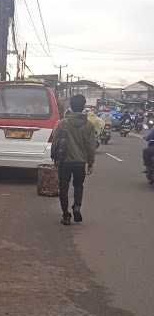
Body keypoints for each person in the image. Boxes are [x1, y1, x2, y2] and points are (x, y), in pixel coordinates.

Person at [51, 94, 96, 225]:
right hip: (80, 162)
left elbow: (55, 141)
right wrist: (91, 163)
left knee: (63, 188)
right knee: (78, 186)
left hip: (64, 162)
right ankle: (77, 206)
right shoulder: (89, 126)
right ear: (83, 107)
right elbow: (91, 147)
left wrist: (54, 158)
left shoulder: (62, 123)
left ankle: (65, 215)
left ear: (70, 106)